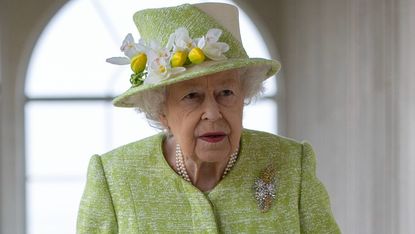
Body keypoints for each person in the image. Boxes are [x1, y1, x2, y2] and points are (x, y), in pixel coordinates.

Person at [77, 2, 340, 233]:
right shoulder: (114, 178)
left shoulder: (292, 163)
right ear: (161, 111)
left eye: (226, 93)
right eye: (192, 96)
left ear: (244, 97)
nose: (213, 113)